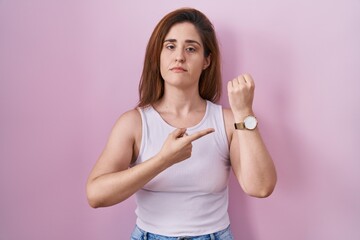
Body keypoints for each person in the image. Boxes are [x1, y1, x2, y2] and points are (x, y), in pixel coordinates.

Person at [86, 7, 277, 240]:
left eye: (191, 48)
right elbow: (95, 195)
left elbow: (260, 187)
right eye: (170, 46)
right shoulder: (134, 123)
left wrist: (244, 112)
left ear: (207, 60)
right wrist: (163, 160)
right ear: (158, 55)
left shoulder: (226, 121)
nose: (179, 57)